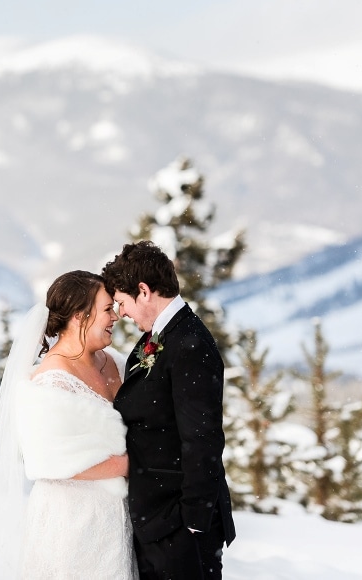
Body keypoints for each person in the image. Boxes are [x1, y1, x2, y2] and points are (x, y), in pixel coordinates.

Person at [0, 270, 137, 579]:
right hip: (71, 523)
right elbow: (46, 461)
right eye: (106, 309)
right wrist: (128, 465)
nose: (115, 316)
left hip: (120, 518)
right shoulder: (48, 383)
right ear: (79, 316)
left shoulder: (114, 360)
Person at [101, 241, 236, 580]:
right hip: (159, 520)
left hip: (179, 526)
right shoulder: (162, 336)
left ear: (143, 291)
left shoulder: (189, 344)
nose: (122, 314)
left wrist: (191, 522)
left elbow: (202, 438)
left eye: (122, 303)